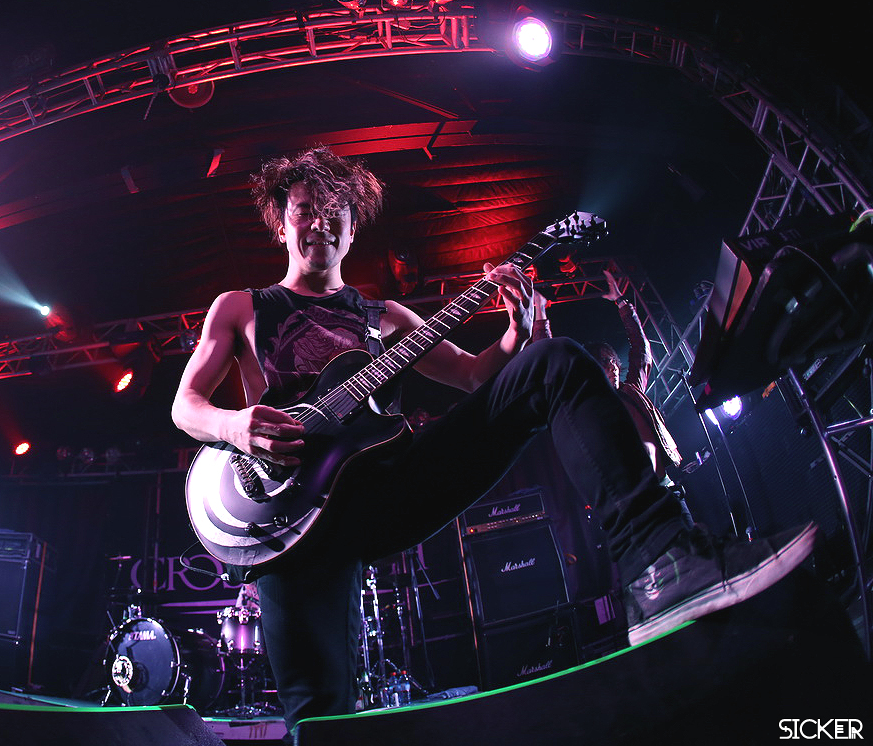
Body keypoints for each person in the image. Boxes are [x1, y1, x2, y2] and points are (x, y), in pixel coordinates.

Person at [170, 146, 816, 734]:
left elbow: (476, 377)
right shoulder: (241, 306)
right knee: (318, 720)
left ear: (353, 227)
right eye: (305, 211)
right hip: (288, 521)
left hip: (383, 492)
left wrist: (515, 332)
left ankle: (662, 563)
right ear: (281, 223)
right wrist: (233, 425)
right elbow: (186, 406)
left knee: (553, 362)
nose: (319, 224)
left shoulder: (384, 316)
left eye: (334, 212)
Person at [533, 268, 694, 524]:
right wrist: (540, 313)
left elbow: (641, 350)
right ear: (593, 369)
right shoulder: (584, 406)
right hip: (631, 507)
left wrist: (622, 303)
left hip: (666, 489)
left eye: (614, 362)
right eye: (605, 364)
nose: (614, 369)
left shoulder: (631, 392)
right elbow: (548, 363)